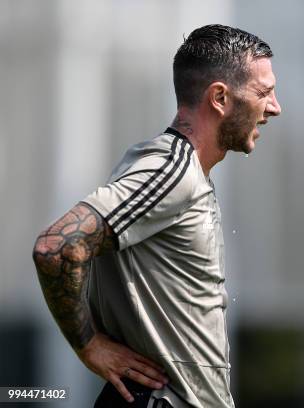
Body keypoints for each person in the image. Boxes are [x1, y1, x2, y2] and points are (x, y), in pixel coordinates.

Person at [32, 24, 281, 408]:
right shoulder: (172, 171)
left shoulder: (181, 171)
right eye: (263, 92)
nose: (274, 107)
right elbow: (57, 246)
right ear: (219, 98)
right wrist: (91, 346)